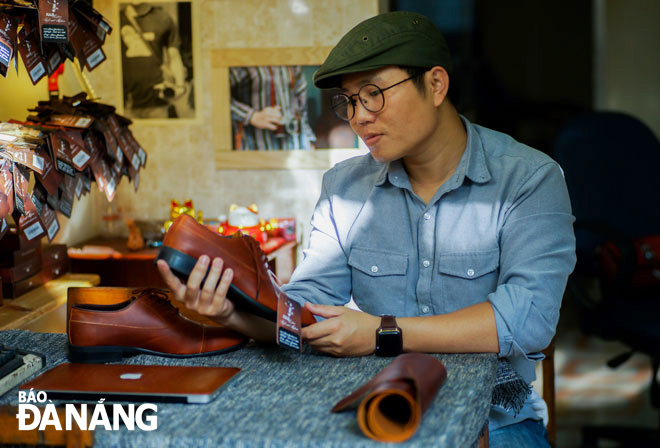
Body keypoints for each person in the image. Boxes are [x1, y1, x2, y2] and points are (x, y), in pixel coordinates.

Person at [157, 11, 575, 447]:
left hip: (498, 418)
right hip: (376, 409)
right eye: (349, 101)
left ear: (435, 85)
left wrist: (382, 331)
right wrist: (233, 315)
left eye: (372, 94)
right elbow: (306, 310)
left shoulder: (530, 179)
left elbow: (527, 319)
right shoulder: (343, 189)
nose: (357, 117)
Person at [120, 3, 190, 119]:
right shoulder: (116, 19)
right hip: (125, 103)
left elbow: (174, 55)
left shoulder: (162, 18)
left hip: (157, 101)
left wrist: (179, 86)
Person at [230, 66, 316, 150]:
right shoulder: (243, 61)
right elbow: (218, 98)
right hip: (256, 148)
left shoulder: (292, 62)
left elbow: (301, 107)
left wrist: (309, 140)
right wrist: (251, 116)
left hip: (294, 147)